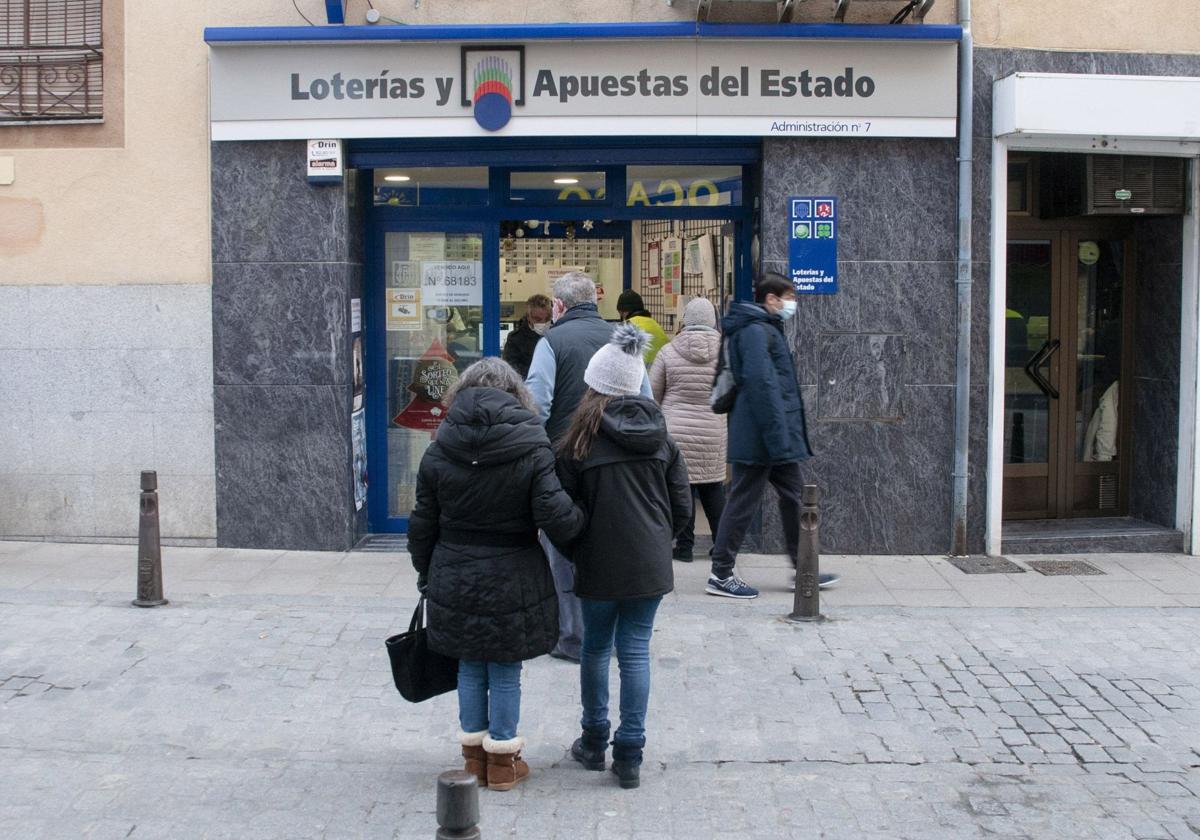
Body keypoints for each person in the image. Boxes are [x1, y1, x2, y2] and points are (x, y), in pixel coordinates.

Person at [407, 357, 585, 792]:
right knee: (505, 665)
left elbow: (422, 522)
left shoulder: (439, 446)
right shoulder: (532, 444)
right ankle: (503, 763)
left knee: (469, 661)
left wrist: (425, 568)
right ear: (516, 395)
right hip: (514, 570)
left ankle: (472, 761)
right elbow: (554, 515)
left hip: (454, 567)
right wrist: (583, 523)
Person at [556, 323, 692, 789]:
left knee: (596, 647)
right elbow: (682, 507)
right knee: (635, 651)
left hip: (597, 562)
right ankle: (630, 753)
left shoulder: (577, 442)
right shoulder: (662, 438)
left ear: (594, 385)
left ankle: (594, 741)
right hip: (648, 562)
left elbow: (561, 513)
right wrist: (659, 541)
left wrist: (576, 549)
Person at [526, 272, 652, 662]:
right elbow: (645, 399)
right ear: (596, 302)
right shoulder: (623, 340)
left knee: (563, 547)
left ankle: (573, 636)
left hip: (566, 464)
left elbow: (538, 405)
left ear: (559, 306)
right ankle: (613, 633)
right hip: (619, 462)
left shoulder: (550, 342)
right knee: (612, 543)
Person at [706, 272, 838, 600]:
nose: (792, 303)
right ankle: (720, 572)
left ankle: (803, 565)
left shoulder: (764, 328)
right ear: (771, 299)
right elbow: (762, 385)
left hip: (770, 434)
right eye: (788, 296)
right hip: (761, 435)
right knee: (743, 501)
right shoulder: (754, 331)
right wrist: (777, 436)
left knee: (794, 497)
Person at [649, 297, 727, 562]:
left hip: (675, 432)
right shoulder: (727, 353)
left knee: (683, 489)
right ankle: (722, 546)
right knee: (713, 489)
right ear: (713, 321)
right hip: (712, 431)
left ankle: (684, 548)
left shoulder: (668, 352)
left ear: (686, 320)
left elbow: (652, 395)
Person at [502, 293, 552, 378]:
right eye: (538, 319)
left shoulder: (557, 334)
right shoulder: (515, 339)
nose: (543, 323)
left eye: (547, 319)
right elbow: (511, 369)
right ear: (529, 317)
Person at [615, 289, 670, 366]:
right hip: (661, 372)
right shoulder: (655, 324)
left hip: (640, 374)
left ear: (621, 311)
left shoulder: (626, 326)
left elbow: (617, 357)